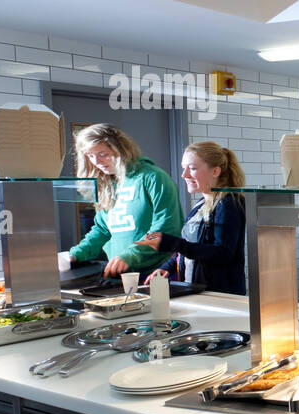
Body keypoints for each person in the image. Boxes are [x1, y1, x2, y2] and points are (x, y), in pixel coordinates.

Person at [60, 123, 183, 278]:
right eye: (90, 155)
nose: (96, 161)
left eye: (103, 154)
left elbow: (167, 228)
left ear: (121, 149)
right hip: (120, 275)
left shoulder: (153, 177)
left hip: (155, 274)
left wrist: (130, 256)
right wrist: (75, 255)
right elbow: (102, 230)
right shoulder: (106, 185)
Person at [138, 142, 247, 295]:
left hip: (219, 295)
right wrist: (166, 267)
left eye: (193, 168)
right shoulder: (202, 203)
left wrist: (173, 243)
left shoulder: (228, 203)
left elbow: (223, 253)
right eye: (184, 168)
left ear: (215, 171)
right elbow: (190, 248)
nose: (184, 175)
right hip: (197, 290)